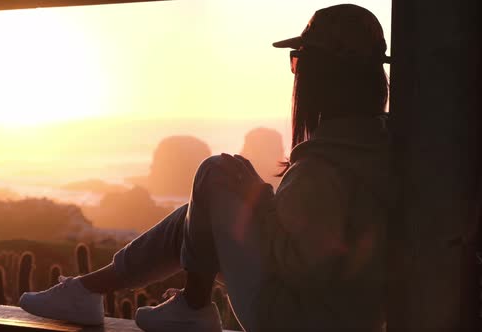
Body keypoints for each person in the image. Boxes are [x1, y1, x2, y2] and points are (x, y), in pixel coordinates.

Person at [19, 4, 394, 331]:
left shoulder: (321, 167)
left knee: (215, 172)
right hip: (349, 317)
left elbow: (302, 269)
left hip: (292, 319)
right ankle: (92, 289)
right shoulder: (382, 150)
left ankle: (187, 307)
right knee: (202, 210)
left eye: (298, 62)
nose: (295, 72)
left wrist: (261, 202)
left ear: (322, 76)